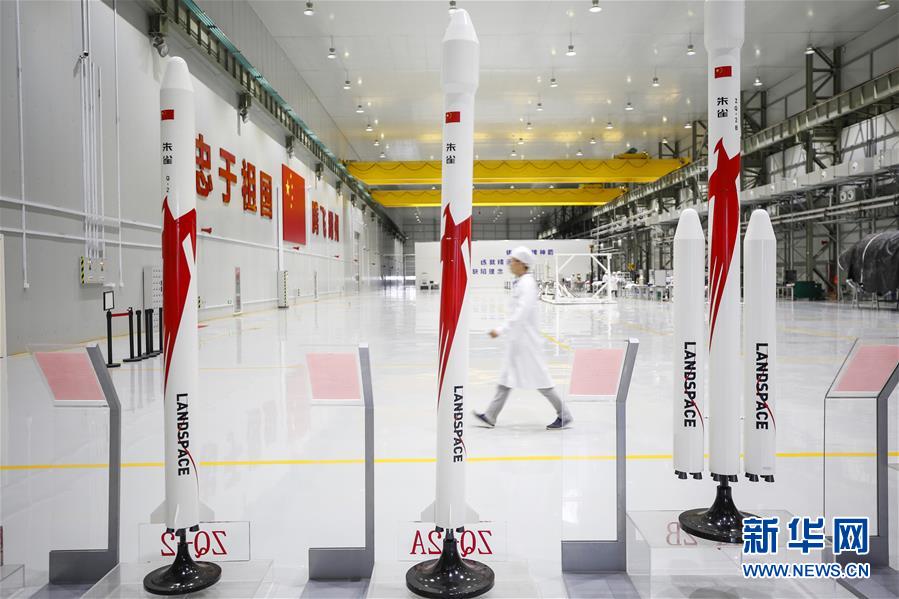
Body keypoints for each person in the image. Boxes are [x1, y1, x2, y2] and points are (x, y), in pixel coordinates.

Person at [474, 246, 573, 430]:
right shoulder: (520, 282)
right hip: (518, 341)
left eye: (512, 261)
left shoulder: (527, 284)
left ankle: (564, 415)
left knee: (542, 381)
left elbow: (521, 313)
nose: (510, 264)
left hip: (527, 343)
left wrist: (501, 329)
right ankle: (490, 415)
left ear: (522, 263)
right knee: (506, 378)